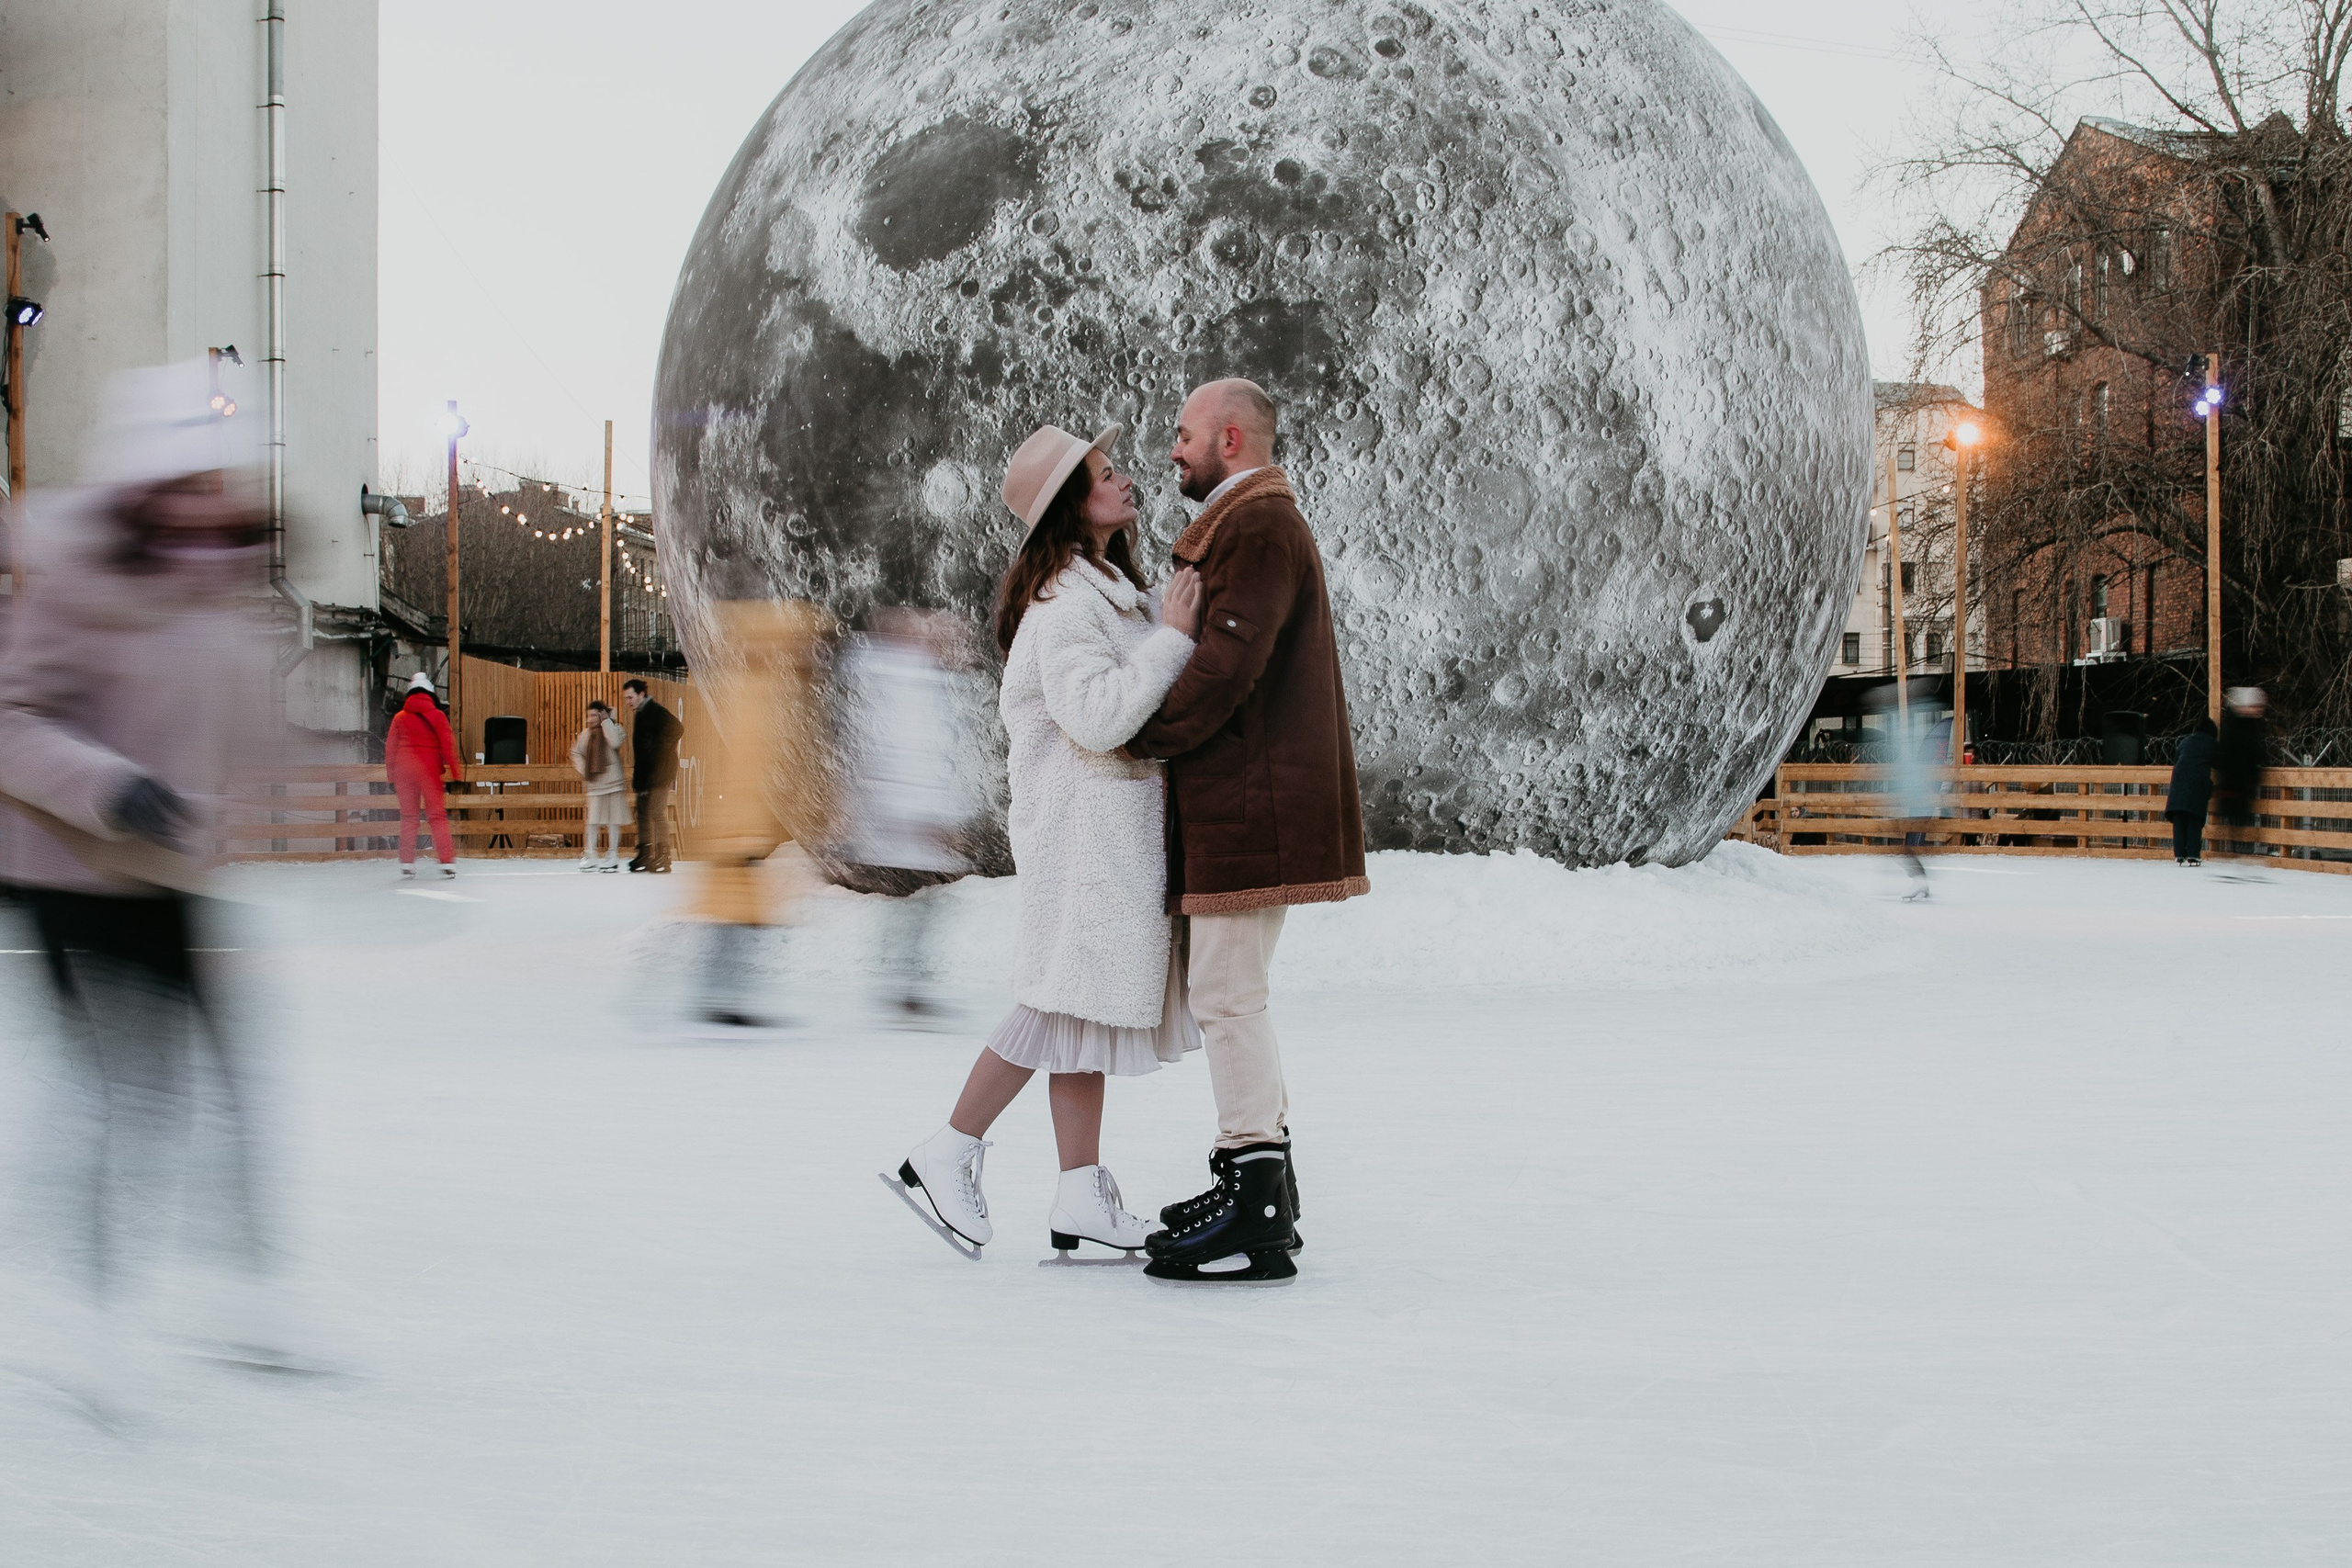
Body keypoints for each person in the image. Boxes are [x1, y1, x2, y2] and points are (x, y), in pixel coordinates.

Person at [0, 360, 300, 1402]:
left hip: (170, 869)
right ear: (139, 484)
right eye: (187, 478)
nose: (205, 498)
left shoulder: (215, 583)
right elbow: (12, 722)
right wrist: (112, 787)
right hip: (68, 867)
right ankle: (78, 1313)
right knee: (121, 1092)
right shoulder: (76, 581)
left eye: (215, 478)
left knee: (227, 1081)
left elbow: (246, 723)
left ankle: (239, 1297)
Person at [894, 423, 1204, 1258]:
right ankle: (947, 1149)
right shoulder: (1067, 603)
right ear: (1072, 507)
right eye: (1106, 475)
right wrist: (1175, 636)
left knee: (1079, 1007)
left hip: (1102, 831)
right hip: (1085, 836)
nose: (1127, 480)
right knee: (1058, 999)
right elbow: (1099, 715)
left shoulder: (1101, 587)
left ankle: (1078, 1193)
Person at [1124, 378, 1369, 1284]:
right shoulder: (1250, 523)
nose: (1172, 448)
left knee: (1227, 996)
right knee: (1233, 993)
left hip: (1248, 800)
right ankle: (1258, 1179)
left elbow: (1226, 666)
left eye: (1183, 433)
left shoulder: (1257, 526)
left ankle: (1255, 1194)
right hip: (1245, 795)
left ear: (1230, 438)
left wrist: (1135, 733)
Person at [835, 607, 978, 1020]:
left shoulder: (922, 681)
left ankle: (904, 983)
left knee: (918, 905)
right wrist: (927, 816)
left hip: (914, 820)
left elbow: (943, 755)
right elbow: (909, 753)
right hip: (907, 820)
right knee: (915, 904)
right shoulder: (899, 681)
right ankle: (902, 985)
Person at [387, 671, 462, 877]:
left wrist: (391, 777)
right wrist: (456, 773)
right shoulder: (437, 716)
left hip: (403, 770)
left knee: (409, 817)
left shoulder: (399, 717)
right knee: (437, 816)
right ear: (430, 694)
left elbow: (390, 748)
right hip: (428, 770)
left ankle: (407, 862)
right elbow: (448, 745)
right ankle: (447, 862)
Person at [623, 678, 681, 873]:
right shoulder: (641, 714)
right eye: (626, 698)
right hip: (647, 772)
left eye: (631, 697)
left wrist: (661, 750)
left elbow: (677, 728)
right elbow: (641, 751)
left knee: (656, 812)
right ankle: (646, 853)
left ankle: (664, 855)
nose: (628, 701)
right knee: (643, 813)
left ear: (641, 695)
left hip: (661, 772)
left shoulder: (656, 711)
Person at [571, 699, 628, 871]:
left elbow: (615, 742)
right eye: (589, 715)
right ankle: (591, 854)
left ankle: (613, 855)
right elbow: (575, 753)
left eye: (595, 715)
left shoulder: (615, 729)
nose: (591, 718)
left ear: (602, 714)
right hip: (595, 783)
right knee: (592, 821)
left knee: (614, 820)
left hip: (614, 782)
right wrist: (585, 771)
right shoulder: (586, 734)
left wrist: (606, 722)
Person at [2212, 686, 2267, 857]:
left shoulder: (2236, 727)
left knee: (2235, 821)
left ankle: (2233, 854)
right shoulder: (2241, 729)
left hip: (2235, 782)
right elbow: (2248, 753)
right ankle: (2234, 855)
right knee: (2237, 821)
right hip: (2236, 783)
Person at [2165, 717, 2217, 866]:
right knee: (2194, 820)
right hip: (2197, 787)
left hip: (2178, 786)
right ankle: (2193, 854)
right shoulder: (2210, 744)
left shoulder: (2186, 742)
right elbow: (2220, 763)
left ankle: (2179, 854)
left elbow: (2177, 760)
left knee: (2179, 821)